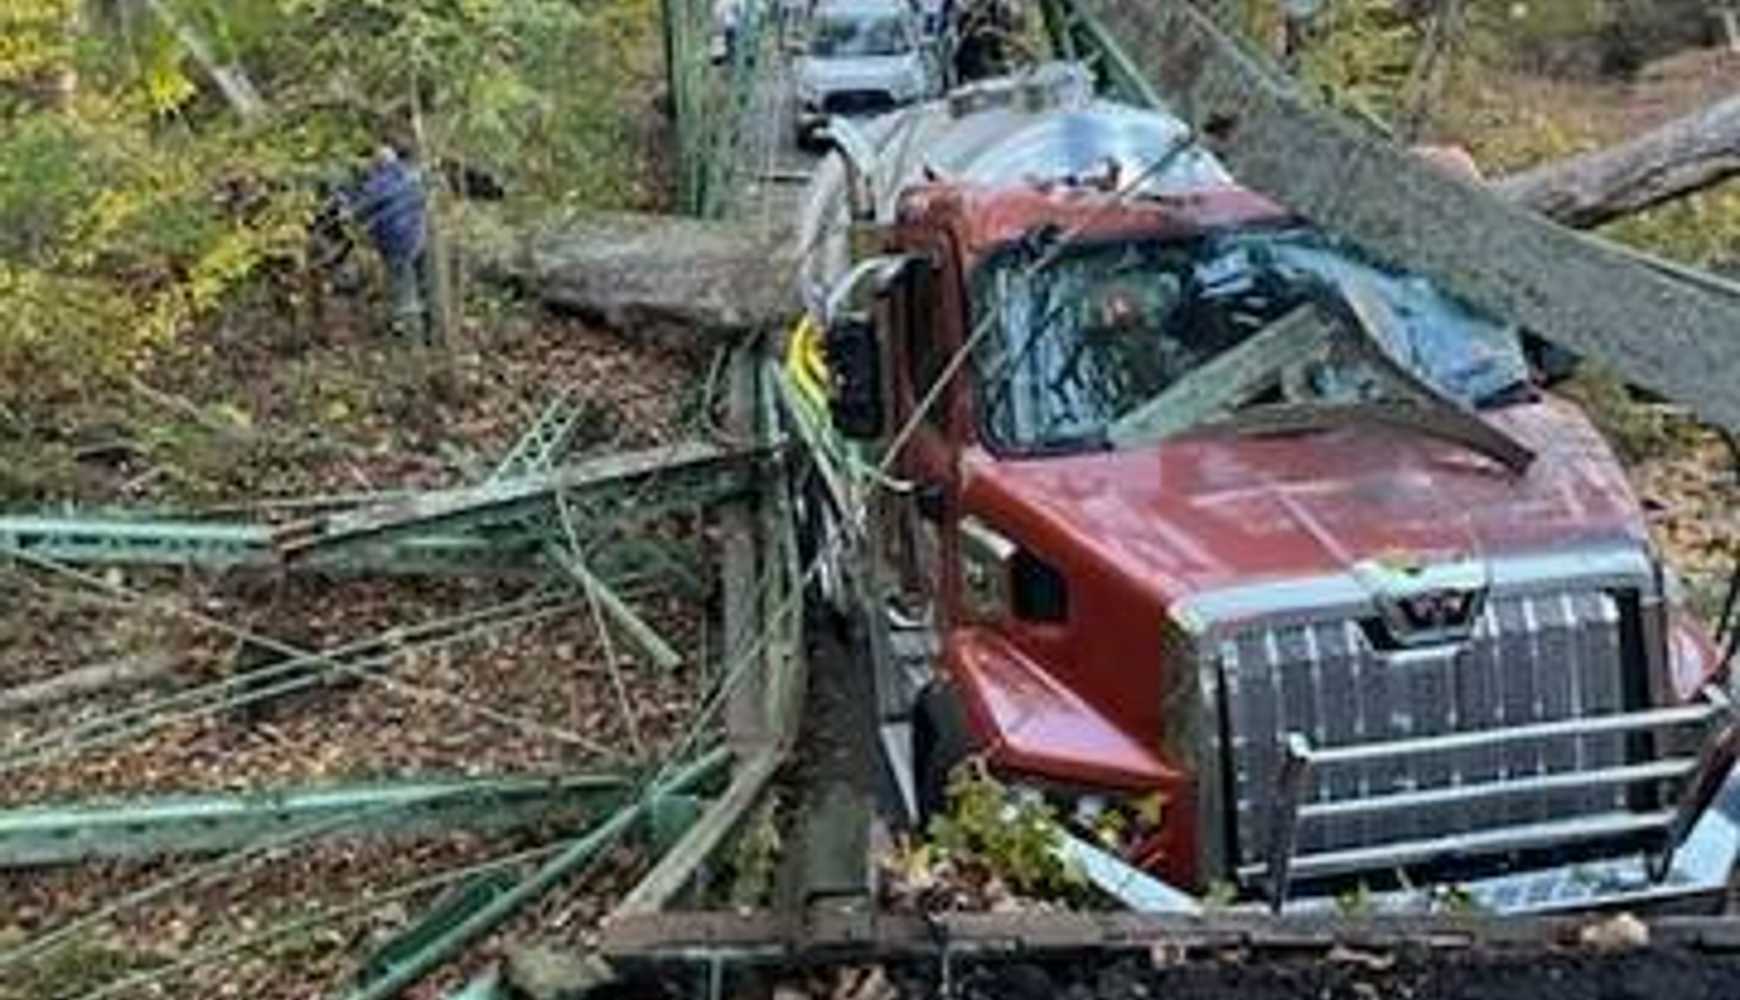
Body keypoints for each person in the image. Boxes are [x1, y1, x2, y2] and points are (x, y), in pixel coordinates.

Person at [344, 145, 433, 343]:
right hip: (419, 237)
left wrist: (348, 207)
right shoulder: (412, 175)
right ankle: (428, 332)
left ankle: (409, 335)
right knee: (421, 286)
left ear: (378, 163)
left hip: (396, 243)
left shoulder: (378, 184)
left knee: (402, 288)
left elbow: (357, 211)